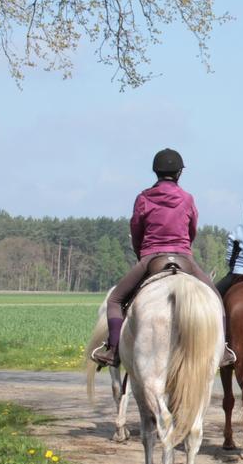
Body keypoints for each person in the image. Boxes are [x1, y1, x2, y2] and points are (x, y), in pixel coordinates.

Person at [91, 148, 234, 367]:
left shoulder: (143, 198)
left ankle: (112, 350)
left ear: (155, 172)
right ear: (179, 173)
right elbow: (192, 229)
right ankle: (222, 349)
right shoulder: (187, 199)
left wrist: (142, 254)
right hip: (184, 258)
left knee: (115, 300)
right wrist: (184, 248)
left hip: (151, 258)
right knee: (216, 299)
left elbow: (136, 230)